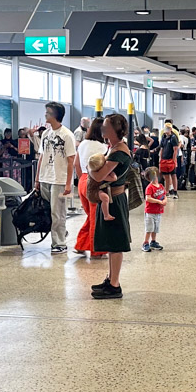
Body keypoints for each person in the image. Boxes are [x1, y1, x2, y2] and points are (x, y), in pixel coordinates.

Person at [90, 113, 133, 299]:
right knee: (111, 242)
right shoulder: (114, 148)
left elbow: (99, 176)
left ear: (116, 130)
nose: (103, 129)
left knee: (115, 243)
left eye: (106, 126)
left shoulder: (118, 152)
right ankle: (111, 279)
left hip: (114, 199)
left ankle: (114, 284)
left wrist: (89, 169)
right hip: (111, 197)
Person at [37, 101, 77, 255]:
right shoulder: (46, 134)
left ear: (54, 115)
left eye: (47, 112)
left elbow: (71, 160)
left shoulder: (67, 135)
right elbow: (41, 156)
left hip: (60, 180)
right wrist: (37, 179)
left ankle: (59, 243)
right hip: (45, 178)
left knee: (58, 212)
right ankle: (61, 232)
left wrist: (69, 185)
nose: (45, 114)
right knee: (49, 210)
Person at [73, 117, 108, 257]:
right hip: (94, 182)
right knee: (96, 218)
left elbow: (76, 164)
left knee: (91, 216)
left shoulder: (82, 144)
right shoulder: (103, 147)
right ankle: (96, 250)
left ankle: (81, 245)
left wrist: (83, 178)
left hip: (83, 180)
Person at [141, 166, 167, 252]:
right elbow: (148, 198)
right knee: (149, 228)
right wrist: (159, 202)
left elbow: (164, 195)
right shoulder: (150, 187)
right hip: (150, 212)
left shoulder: (160, 186)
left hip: (158, 212)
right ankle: (145, 243)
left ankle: (153, 241)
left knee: (155, 228)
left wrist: (164, 201)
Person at [86, 152, 116, 220]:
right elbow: (114, 178)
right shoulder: (98, 175)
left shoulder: (91, 169)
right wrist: (110, 170)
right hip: (93, 192)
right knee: (105, 198)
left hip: (94, 189)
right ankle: (106, 215)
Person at [158, 122, 180, 199]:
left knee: (173, 175)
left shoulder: (173, 137)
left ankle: (175, 191)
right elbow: (161, 149)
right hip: (164, 160)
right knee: (166, 176)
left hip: (171, 159)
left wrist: (174, 160)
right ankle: (166, 192)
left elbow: (175, 150)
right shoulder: (163, 137)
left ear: (171, 129)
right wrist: (160, 159)